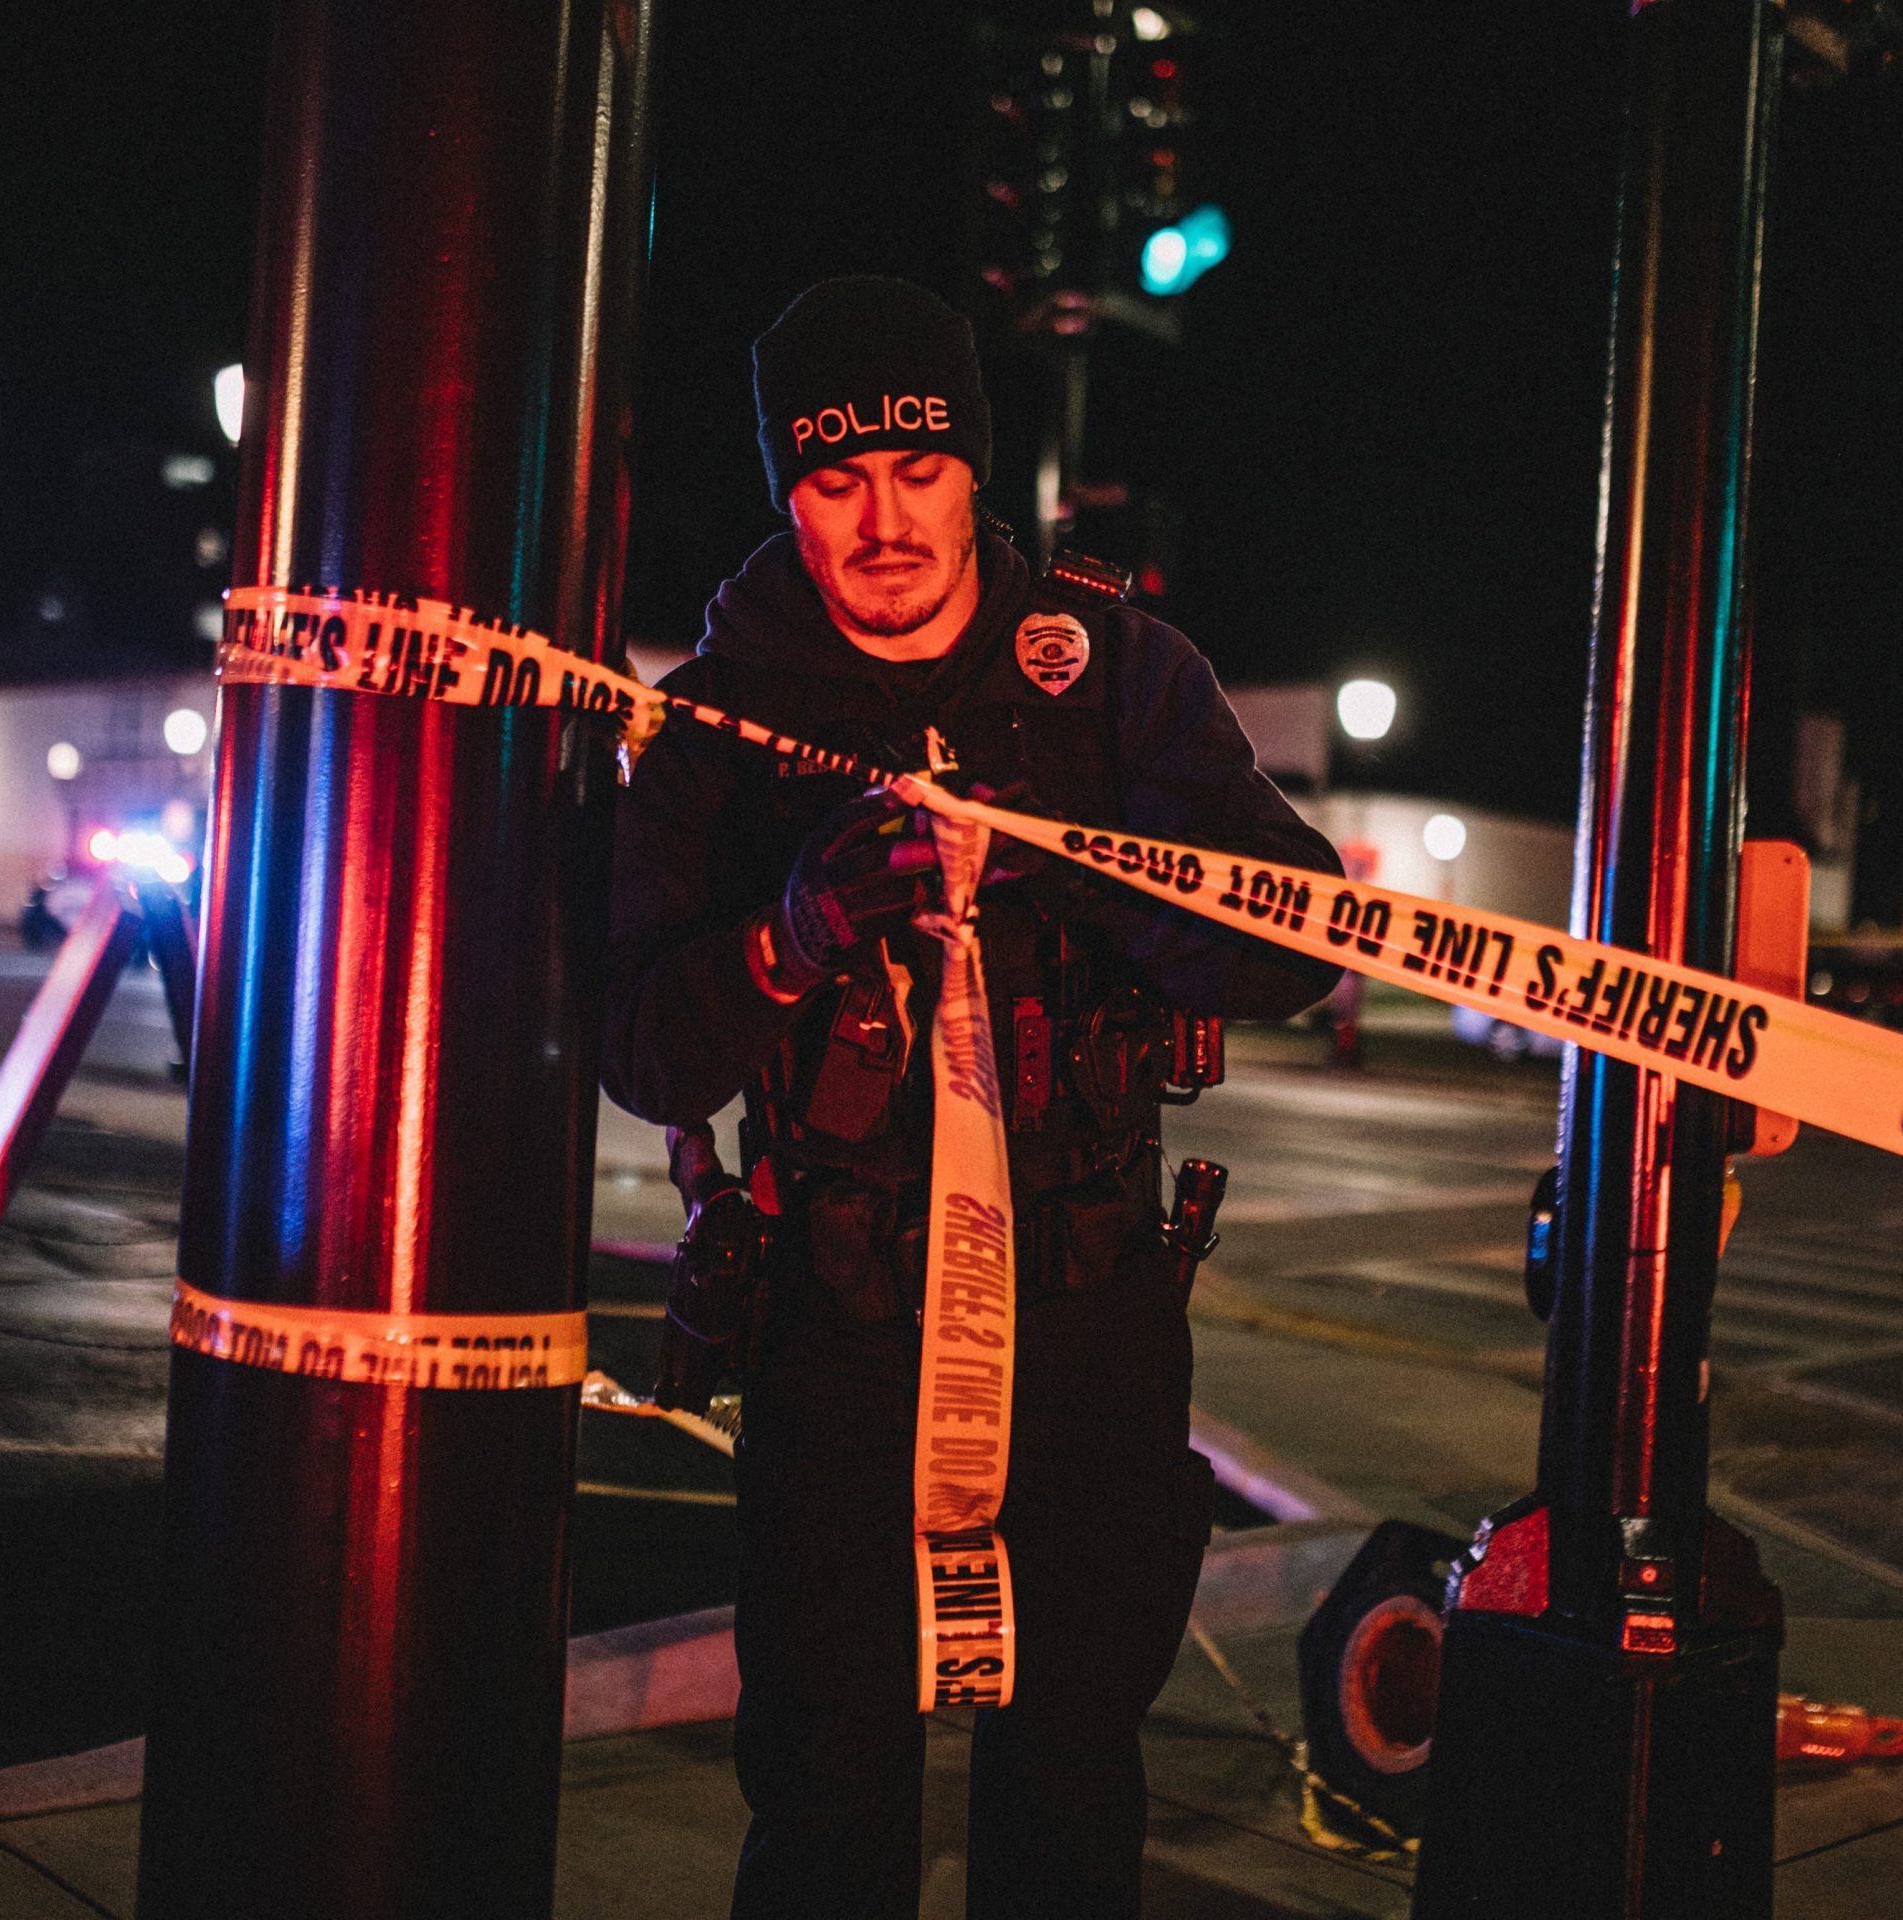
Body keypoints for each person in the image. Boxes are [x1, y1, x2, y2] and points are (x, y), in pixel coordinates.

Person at [601, 275, 1343, 1919]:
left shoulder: (1114, 673)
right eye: (834, 478)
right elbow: (642, 1048)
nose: (882, 521)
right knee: (825, 1795)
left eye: (918, 470)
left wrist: (1077, 872)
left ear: (974, 470)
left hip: (1090, 1316)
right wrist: (789, 938)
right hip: (836, 1324)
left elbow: (1302, 946)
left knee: (1075, 1781)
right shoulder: (720, 717)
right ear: (788, 489)